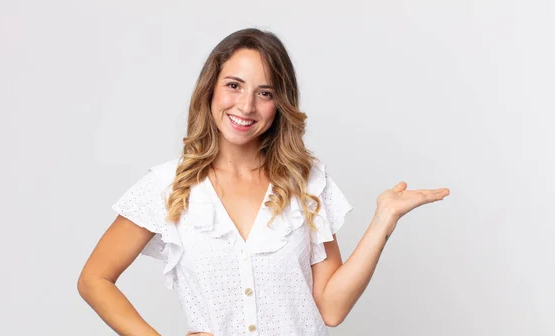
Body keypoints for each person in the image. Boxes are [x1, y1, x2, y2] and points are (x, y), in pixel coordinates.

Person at [77, 28, 450, 336]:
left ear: (279, 104)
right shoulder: (168, 186)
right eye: (234, 86)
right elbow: (94, 279)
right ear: (211, 90)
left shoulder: (307, 184)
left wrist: (384, 219)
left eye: (265, 93)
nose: (246, 106)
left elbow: (332, 309)